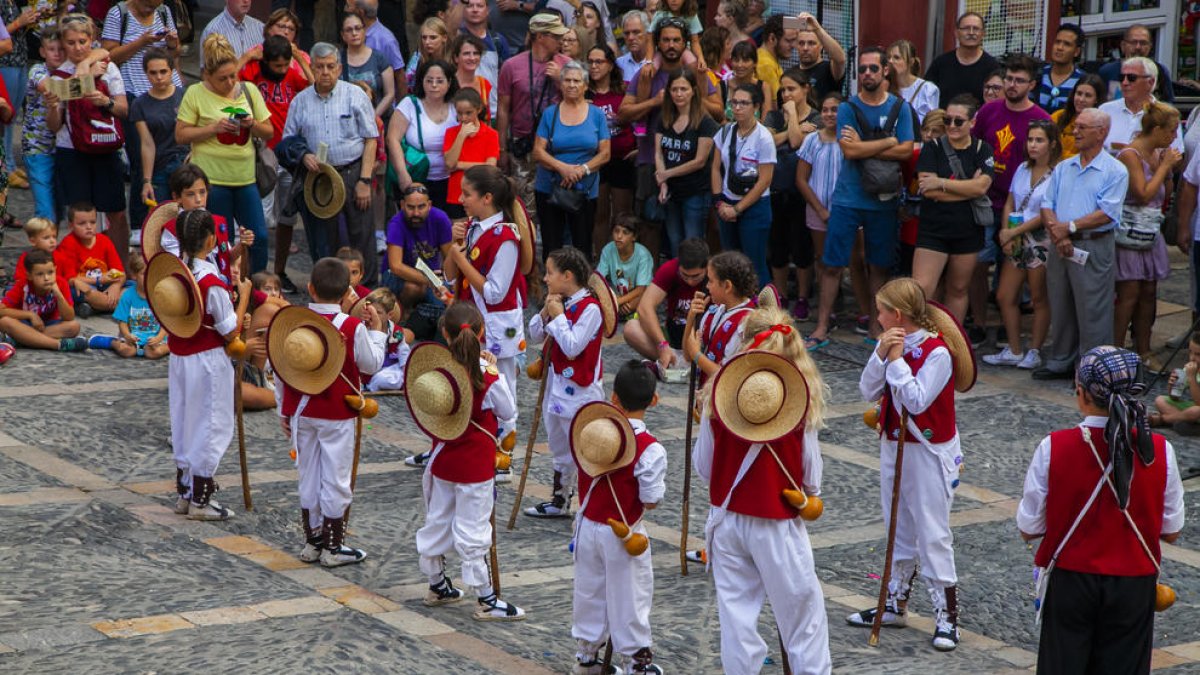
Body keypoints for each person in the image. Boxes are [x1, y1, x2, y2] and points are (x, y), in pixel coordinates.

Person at [1017, 346, 1184, 674]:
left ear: (1081, 393)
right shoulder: (1162, 451)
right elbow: (1172, 530)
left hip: (1071, 580)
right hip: (1134, 583)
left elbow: (1029, 526)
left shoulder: (1054, 446)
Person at [693, 305, 832, 674]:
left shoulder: (720, 393)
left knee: (736, 621)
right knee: (804, 619)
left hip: (727, 520)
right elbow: (811, 479)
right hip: (777, 523)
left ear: (744, 340)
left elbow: (704, 468)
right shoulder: (798, 399)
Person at [849, 277, 964, 651]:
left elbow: (916, 400)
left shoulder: (938, 353)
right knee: (897, 527)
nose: (876, 316)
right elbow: (868, 389)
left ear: (896, 314)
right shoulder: (888, 345)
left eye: (880, 310)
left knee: (932, 532)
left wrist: (896, 361)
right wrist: (881, 355)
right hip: (893, 446)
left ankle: (947, 617)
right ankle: (895, 603)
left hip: (928, 452)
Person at [410, 301, 525, 619]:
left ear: (444, 334)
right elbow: (508, 411)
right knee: (473, 529)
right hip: (474, 465)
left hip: (443, 459)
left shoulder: (437, 373)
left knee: (438, 521)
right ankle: (487, 599)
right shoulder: (487, 376)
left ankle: (437, 584)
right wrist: (491, 369)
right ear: (482, 332)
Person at [278, 257, 386, 567]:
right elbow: (371, 364)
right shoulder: (352, 326)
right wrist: (376, 330)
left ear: (310, 288)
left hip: (302, 408)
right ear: (345, 294)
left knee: (308, 473)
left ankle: (312, 541)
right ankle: (333, 547)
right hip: (338, 411)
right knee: (336, 477)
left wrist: (285, 411)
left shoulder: (294, 322)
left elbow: (282, 368)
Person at [808, 47, 914, 348]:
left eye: (872, 68)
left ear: (885, 72)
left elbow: (906, 150)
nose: (866, 73)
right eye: (863, 69)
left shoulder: (900, 108)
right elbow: (849, 151)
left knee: (878, 265)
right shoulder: (847, 108)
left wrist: (870, 144)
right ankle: (820, 327)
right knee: (831, 264)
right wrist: (888, 141)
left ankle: (876, 329)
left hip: (883, 199)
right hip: (847, 198)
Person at [569, 360, 666, 675]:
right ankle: (636, 662)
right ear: (654, 401)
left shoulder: (593, 431)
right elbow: (650, 500)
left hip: (587, 526)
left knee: (589, 590)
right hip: (624, 533)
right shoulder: (650, 449)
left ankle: (586, 657)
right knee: (630, 595)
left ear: (613, 398)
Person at [1033, 108, 1129, 380]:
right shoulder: (1065, 166)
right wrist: (1059, 233)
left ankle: (1092, 366)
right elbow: (1047, 203)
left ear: (1101, 133)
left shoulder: (1115, 170)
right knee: (1060, 302)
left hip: (1092, 244)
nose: (1075, 131)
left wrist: (1070, 228)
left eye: (1082, 127)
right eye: (1076, 126)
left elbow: (1107, 212)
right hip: (1060, 242)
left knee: (1093, 308)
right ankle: (1061, 359)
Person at [166, 209, 251, 520]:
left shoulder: (175, 272)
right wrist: (244, 297)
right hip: (206, 359)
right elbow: (230, 330)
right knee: (211, 423)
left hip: (180, 357)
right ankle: (201, 500)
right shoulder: (212, 281)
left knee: (184, 419)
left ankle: (185, 492)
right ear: (211, 240)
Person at [442, 165, 526, 455]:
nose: (461, 199)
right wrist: (455, 246)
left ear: (487, 197)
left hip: (496, 325)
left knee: (502, 386)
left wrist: (460, 259)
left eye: (467, 194)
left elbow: (494, 292)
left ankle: (504, 452)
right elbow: (450, 276)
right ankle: (465, 439)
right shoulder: (473, 226)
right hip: (471, 320)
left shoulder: (505, 237)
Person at [622, 18, 721, 260]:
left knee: (693, 230)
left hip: (692, 167)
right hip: (652, 159)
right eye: (665, 40)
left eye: (676, 40)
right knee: (649, 222)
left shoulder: (697, 73)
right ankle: (654, 279)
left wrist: (693, 96)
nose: (671, 45)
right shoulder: (645, 74)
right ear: (657, 43)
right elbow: (623, 113)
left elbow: (719, 111)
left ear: (685, 42)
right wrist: (654, 102)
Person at [282, 43, 379, 285]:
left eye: (330, 67)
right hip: (320, 177)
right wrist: (303, 155)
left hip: (353, 171)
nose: (325, 72)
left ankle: (367, 292)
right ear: (311, 67)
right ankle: (330, 293)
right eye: (320, 67)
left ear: (339, 68)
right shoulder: (300, 101)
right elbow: (288, 141)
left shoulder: (355, 95)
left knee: (362, 237)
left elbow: (371, 139)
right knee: (326, 239)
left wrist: (365, 180)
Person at [175, 33, 273, 274]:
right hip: (211, 181)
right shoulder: (196, 93)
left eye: (233, 76)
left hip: (245, 178)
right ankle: (225, 284)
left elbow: (269, 131)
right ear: (207, 75)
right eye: (223, 79)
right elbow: (180, 135)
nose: (230, 83)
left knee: (258, 236)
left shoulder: (248, 90)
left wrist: (251, 124)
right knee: (221, 239)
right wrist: (213, 128)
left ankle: (255, 284)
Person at [970, 54, 1050, 344]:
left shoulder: (1041, 119)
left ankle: (1009, 329)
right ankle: (978, 323)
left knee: (1014, 270)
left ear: (1031, 84)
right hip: (984, 201)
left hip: (1022, 209)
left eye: (1019, 80)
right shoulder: (989, 112)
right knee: (978, 264)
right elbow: (973, 148)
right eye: (1008, 79)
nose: (1012, 85)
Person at [524, 247, 606, 518]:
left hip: (581, 391)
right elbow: (535, 335)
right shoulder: (559, 302)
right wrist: (548, 312)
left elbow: (573, 346)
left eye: (550, 273)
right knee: (559, 444)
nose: (546, 279)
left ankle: (590, 503)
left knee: (583, 447)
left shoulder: (590, 309)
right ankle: (560, 499)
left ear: (567, 276)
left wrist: (558, 316)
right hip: (555, 384)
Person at [45, 14, 130, 256]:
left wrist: (106, 101)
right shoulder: (59, 76)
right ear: (63, 42)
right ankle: (82, 266)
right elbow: (54, 126)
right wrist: (52, 106)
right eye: (71, 42)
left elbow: (124, 109)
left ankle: (121, 268)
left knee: (116, 211)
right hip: (72, 150)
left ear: (91, 39)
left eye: (82, 41)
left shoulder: (107, 67)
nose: (77, 47)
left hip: (105, 146)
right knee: (80, 214)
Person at [985, 119, 1061, 370]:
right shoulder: (1021, 169)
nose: (1033, 145)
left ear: (1051, 144)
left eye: (1039, 140)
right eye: (1030, 140)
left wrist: (1014, 231)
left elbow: (1047, 211)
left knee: (1039, 297)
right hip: (1016, 235)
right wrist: (1007, 230)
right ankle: (1015, 348)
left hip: (1040, 238)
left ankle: (1035, 349)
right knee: (1005, 295)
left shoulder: (1057, 173)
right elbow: (1010, 201)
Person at [101, 0, 182, 232]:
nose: (151, 10)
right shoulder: (119, 14)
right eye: (147, 5)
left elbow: (174, 54)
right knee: (140, 158)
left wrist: (173, 44)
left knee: (172, 154)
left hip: (169, 92)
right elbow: (109, 56)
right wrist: (142, 41)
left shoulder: (164, 12)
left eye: (155, 6)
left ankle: (171, 217)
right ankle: (139, 221)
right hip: (135, 91)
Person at [912, 94, 994, 322]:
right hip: (934, 229)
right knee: (922, 290)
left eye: (959, 121)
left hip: (967, 230)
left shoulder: (982, 149)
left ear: (972, 122)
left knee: (958, 289)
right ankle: (918, 340)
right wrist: (966, 188)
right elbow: (928, 190)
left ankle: (952, 342)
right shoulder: (933, 148)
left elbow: (982, 187)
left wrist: (942, 182)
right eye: (947, 120)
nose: (952, 126)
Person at [1113, 102, 1182, 374]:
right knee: (1128, 294)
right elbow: (1142, 193)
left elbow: (1164, 192)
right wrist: (1165, 167)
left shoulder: (1158, 153)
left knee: (1149, 293)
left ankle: (1144, 348)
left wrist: (1167, 169)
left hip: (1151, 231)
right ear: (1155, 129)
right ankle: (1116, 351)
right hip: (1131, 234)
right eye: (1171, 131)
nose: (1174, 137)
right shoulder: (1130, 154)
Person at [240, 33, 310, 292]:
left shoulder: (292, 75)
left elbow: (314, 86)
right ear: (265, 62)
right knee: (260, 219)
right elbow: (228, 82)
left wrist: (300, 61)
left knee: (286, 216)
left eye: (285, 65)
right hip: (261, 155)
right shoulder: (254, 74)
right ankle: (255, 273)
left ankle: (279, 271)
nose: (281, 70)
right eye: (276, 66)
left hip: (288, 154)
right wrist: (247, 56)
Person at [532, 60, 611, 261]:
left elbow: (605, 153)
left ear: (585, 85)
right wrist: (563, 168)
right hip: (550, 187)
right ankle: (551, 288)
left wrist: (581, 170)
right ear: (561, 84)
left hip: (585, 188)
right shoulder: (550, 113)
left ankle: (582, 288)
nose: (572, 85)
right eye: (567, 80)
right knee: (551, 243)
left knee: (582, 243)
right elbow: (538, 151)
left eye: (577, 80)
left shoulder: (597, 115)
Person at [497, 13, 571, 220]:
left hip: (559, 144)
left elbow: (580, 103)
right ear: (540, 37)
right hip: (523, 143)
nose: (561, 40)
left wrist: (560, 80)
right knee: (524, 206)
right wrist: (501, 148)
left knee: (558, 204)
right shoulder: (511, 66)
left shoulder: (567, 64)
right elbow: (503, 109)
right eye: (556, 36)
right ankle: (529, 249)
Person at [764, 68, 819, 317]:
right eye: (783, 89)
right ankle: (781, 294)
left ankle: (803, 296)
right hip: (776, 189)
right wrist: (792, 127)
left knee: (801, 247)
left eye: (791, 89)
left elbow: (796, 143)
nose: (786, 94)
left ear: (805, 89)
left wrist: (793, 117)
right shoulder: (774, 117)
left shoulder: (817, 118)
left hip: (802, 192)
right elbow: (766, 141)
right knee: (777, 247)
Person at [711, 82, 775, 286]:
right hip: (726, 201)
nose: (737, 107)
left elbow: (765, 179)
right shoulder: (724, 132)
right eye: (734, 102)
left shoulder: (764, 137)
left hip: (754, 206)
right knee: (730, 264)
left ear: (755, 106)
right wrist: (719, 202)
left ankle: (764, 313)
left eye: (743, 103)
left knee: (753, 265)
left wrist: (737, 209)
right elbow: (715, 168)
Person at [654, 67, 718, 257]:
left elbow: (699, 161)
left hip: (695, 192)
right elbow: (658, 154)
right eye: (674, 89)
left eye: (684, 89)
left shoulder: (705, 122)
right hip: (671, 192)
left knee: (693, 242)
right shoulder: (664, 118)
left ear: (693, 91)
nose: (679, 94)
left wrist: (667, 174)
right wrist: (663, 183)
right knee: (674, 241)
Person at [795, 91, 844, 326]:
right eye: (825, 109)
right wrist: (821, 210)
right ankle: (828, 310)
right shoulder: (811, 140)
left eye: (834, 109)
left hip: (846, 211)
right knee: (822, 259)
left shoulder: (850, 140)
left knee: (854, 259)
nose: (829, 114)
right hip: (817, 209)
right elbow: (801, 179)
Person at [622, 236, 708, 366]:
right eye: (685, 275)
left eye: (696, 276)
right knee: (631, 328)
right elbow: (644, 307)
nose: (690, 281)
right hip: (674, 336)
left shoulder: (715, 274)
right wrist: (662, 345)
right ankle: (675, 359)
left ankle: (697, 362)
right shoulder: (670, 269)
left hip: (703, 339)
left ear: (706, 267)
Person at [389, 58, 459, 209]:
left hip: (451, 180)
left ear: (449, 82)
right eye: (429, 80)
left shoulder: (457, 106)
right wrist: (403, 175)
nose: (434, 85)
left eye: (440, 81)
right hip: (417, 178)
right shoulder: (409, 104)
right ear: (421, 81)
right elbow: (393, 139)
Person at [682, 249, 758, 385]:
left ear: (727, 286)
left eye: (711, 281)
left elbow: (728, 377)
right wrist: (691, 319)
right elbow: (688, 356)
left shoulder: (746, 325)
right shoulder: (715, 311)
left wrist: (697, 355)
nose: (706, 286)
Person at [384, 183, 454, 330]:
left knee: (445, 305)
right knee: (414, 287)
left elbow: (449, 258)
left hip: (432, 276)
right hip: (398, 277)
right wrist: (430, 280)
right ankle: (403, 314)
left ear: (429, 205)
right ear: (402, 205)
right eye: (410, 207)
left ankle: (423, 315)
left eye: (421, 207)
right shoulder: (396, 223)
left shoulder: (440, 218)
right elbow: (396, 266)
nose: (416, 213)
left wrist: (446, 283)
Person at [587, 43, 634, 255]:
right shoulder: (585, 92)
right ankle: (600, 258)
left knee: (622, 214)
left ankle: (623, 259)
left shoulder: (624, 89)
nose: (594, 66)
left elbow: (639, 120)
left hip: (623, 157)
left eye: (599, 62)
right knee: (600, 213)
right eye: (590, 62)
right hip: (596, 159)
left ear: (610, 65)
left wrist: (640, 147)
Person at [0, 249, 86, 352]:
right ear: (29, 276)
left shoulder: (61, 283)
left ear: (55, 269)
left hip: (48, 325)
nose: (46, 278)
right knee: (4, 322)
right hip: (24, 323)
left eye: (50, 272)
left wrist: (58, 294)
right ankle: (57, 345)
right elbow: (2, 310)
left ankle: (21, 339)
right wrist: (30, 315)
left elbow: (69, 317)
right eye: (40, 274)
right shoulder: (23, 285)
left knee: (74, 326)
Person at [132, 48, 187, 207]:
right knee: (162, 219)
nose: (159, 77)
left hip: (186, 163)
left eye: (163, 71)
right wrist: (147, 181)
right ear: (146, 74)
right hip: (160, 167)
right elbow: (147, 144)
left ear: (172, 71)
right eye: (153, 73)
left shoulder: (185, 95)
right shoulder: (139, 104)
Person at [1099, 57, 1183, 155]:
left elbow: (1177, 156)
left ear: (1151, 82)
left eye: (1132, 78)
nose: (1125, 83)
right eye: (1121, 78)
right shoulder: (1105, 110)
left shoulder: (1167, 115)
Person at [55, 201, 126, 316]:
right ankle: (111, 305)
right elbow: (71, 279)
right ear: (71, 225)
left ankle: (95, 308)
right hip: (86, 286)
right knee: (77, 291)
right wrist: (99, 280)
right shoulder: (68, 243)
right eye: (82, 223)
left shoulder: (104, 240)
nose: (88, 227)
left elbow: (120, 272)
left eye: (92, 222)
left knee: (134, 286)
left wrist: (116, 286)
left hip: (106, 285)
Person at [23, 28, 64, 221]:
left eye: (61, 49)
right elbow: (49, 89)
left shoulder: (69, 71)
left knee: (57, 206)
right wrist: (86, 82)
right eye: (51, 49)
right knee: (45, 208)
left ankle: (52, 249)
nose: (57, 53)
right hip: (37, 146)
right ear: (42, 52)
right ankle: (42, 251)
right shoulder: (37, 70)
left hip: (63, 146)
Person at [0, 0, 40, 189]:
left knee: (13, 115)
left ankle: (10, 164)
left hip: (20, 58)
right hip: (5, 61)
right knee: (4, 115)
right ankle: (6, 166)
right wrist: (19, 22)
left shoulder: (12, 1)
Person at [924, 12, 1000, 109]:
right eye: (966, 28)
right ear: (956, 32)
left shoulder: (992, 67)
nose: (971, 32)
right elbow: (926, 96)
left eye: (976, 29)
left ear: (983, 33)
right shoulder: (941, 63)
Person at [444, 87, 499, 220]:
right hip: (456, 196)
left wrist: (460, 165)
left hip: (481, 196)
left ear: (478, 109)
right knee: (458, 235)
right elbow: (450, 164)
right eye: (459, 113)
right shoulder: (451, 133)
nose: (463, 118)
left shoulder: (491, 135)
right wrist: (461, 136)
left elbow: (490, 168)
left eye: (468, 113)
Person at [110, 253, 169, 359]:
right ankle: (112, 342)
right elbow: (122, 322)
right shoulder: (127, 295)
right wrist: (128, 335)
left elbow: (166, 323)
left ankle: (170, 347)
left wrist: (159, 338)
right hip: (132, 338)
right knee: (127, 351)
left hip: (155, 339)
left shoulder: (160, 295)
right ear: (134, 275)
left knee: (153, 353)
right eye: (144, 274)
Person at [1098, 24, 1175, 103]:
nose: (1138, 47)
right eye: (1133, 42)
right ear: (1123, 46)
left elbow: (1168, 104)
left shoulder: (1160, 71)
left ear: (1150, 46)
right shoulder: (1107, 71)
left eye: (1143, 43)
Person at [596, 215, 653, 320]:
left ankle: (618, 312)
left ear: (634, 237)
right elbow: (598, 280)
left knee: (645, 295)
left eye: (625, 233)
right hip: (617, 294)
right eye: (616, 231)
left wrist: (617, 302)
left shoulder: (643, 255)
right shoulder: (608, 250)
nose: (619, 236)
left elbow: (641, 289)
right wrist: (613, 297)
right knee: (596, 291)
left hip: (636, 295)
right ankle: (617, 312)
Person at [340, 12, 394, 121]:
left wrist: (373, 117)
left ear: (364, 31)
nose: (354, 33)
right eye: (349, 30)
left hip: (378, 120)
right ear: (343, 35)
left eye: (357, 28)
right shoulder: (338, 59)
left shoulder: (379, 58)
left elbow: (390, 94)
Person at [345, 0, 405, 98]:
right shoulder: (351, 33)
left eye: (348, 6)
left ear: (360, 12)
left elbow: (400, 76)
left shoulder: (386, 40)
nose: (345, 10)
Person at [792, 12, 846, 100]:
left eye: (811, 43)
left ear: (821, 46)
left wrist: (817, 29)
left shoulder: (829, 69)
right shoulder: (791, 73)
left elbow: (840, 59)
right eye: (801, 43)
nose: (805, 48)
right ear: (796, 45)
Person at [1152, 333, 1200, 432]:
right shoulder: (1191, 369)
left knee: (1196, 411)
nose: (1192, 358)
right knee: (1160, 400)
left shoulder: (1192, 372)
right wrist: (1172, 385)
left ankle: (1165, 419)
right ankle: (1183, 421)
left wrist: (1192, 378)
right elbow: (1175, 397)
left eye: (1198, 354)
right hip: (1192, 411)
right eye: (1190, 352)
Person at [458, 0, 511, 88]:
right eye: (470, 6)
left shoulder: (498, 40)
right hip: (462, 98)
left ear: (487, 10)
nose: (475, 10)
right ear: (463, 10)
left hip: (492, 99)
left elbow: (506, 76)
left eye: (479, 6)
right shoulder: (457, 37)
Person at [1051, 74, 1105, 158]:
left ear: (1096, 99)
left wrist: (1061, 155)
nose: (1081, 99)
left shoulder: (1100, 125)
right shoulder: (1058, 116)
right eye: (1079, 94)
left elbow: (1090, 156)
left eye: (1088, 96)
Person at [1036, 23, 1084, 114]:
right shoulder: (1038, 74)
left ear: (1077, 52)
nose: (1060, 48)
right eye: (1057, 42)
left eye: (1067, 44)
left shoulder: (1082, 81)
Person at [887, 39, 939, 124]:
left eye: (896, 58)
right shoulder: (884, 86)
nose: (891, 61)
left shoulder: (927, 89)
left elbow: (933, 124)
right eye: (889, 57)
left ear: (911, 62)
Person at [724, 41, 774, 121]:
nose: (740, 65)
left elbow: (766, 121)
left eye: (745, 60)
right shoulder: (723, 86)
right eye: (736, 60)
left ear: (755, 63)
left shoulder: (763, 87)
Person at [449, 33, 492, 122]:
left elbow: (487, 120)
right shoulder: (447, 83)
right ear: (456, 58)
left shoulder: (484, 83)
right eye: (466, 54)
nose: (472, 58)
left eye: (476, 53)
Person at [650, 0, 704, 67]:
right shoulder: (660, 14)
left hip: (684, 50)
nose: (674, 0)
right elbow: (650, 40)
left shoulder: (690, 15)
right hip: (662, 51)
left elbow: (695, 42)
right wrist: (648, 61)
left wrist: (700, 58)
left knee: (694, 65)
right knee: (651, 68)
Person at [406, 18, 450, 93]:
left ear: (444, 38)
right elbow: (408, 88)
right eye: (424, 37)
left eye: (433, 37)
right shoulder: (417, 60)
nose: (427, 42)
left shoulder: (453, 59)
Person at [753, 15, 795, 93]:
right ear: (772, 38)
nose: (793, 45)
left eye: (794, 40)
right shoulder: (766, 65)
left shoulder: (767, 59)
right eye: (788, 41)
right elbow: (776, 103)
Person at [616, 10, 652, 83]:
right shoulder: (619, 64)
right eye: (627, 33)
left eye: (636, 32)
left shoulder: (657, 62)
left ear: (647, 34)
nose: (631, 37)